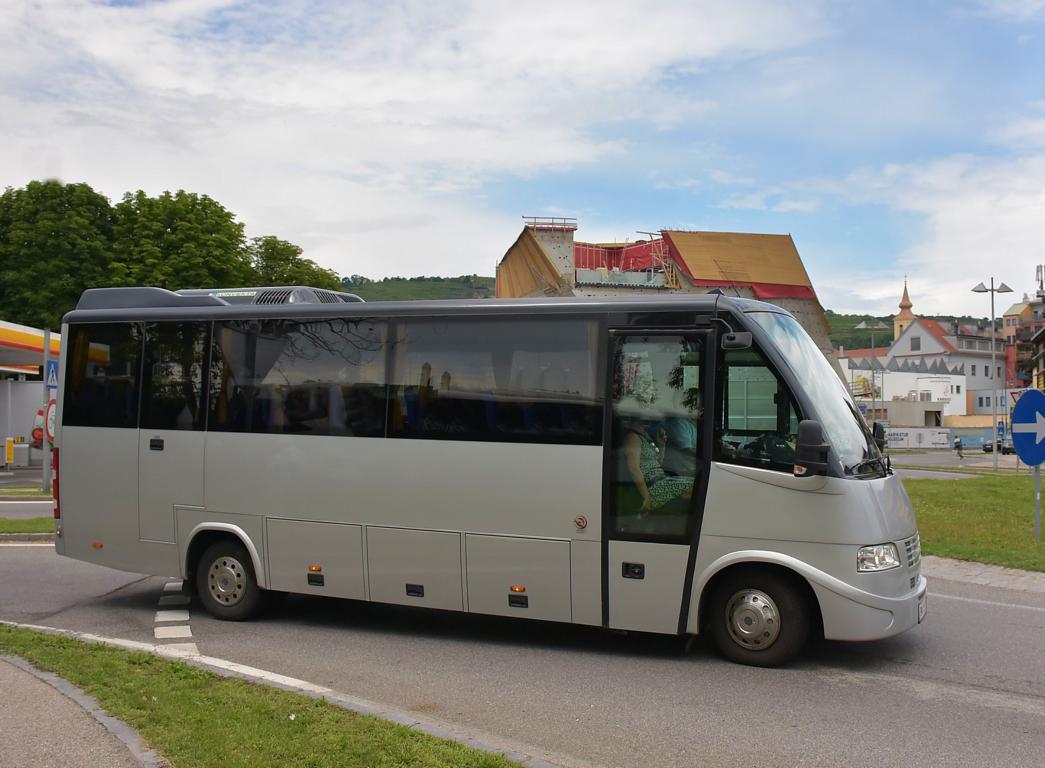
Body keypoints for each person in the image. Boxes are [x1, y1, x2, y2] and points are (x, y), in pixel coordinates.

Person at [621, 421, 694, 515]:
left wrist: (662, 445)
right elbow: (634, 469)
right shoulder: (632, 437)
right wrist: (646, 497)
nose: (646, 425)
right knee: (697, 487)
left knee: (696, 487)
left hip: (663, 480)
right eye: (642, 422)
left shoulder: (644, 438)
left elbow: (658, 464)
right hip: (655, 485)